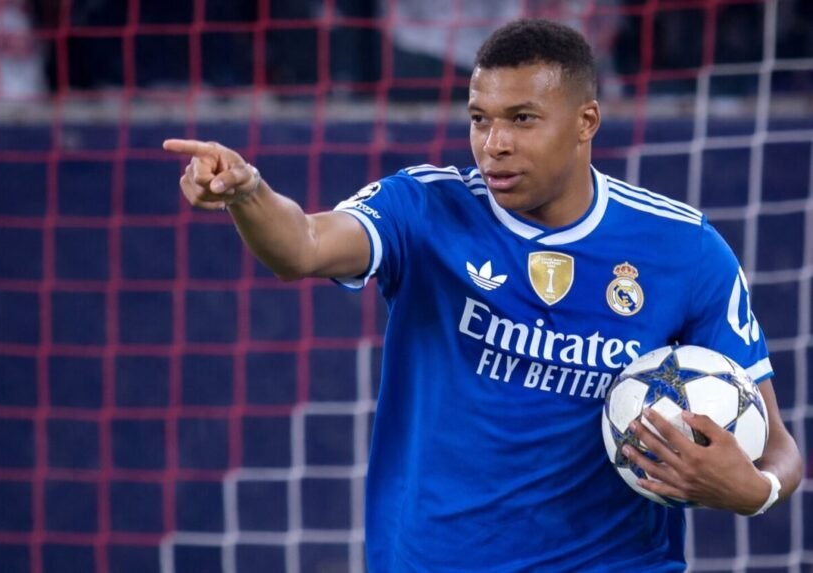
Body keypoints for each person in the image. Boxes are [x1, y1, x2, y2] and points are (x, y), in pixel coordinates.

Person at [164, 19, 802, 572]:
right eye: (479, 119)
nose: (494, 144)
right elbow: (301, 246)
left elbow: (777, 447)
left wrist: (756, 491)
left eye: (522, 119)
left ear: (585, 122)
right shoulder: (423, 208)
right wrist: (249, 194)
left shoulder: (684, 248)